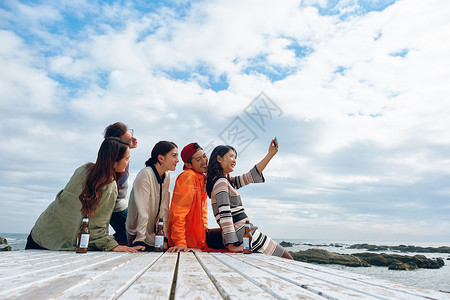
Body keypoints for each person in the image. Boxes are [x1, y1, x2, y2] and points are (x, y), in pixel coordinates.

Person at [25, 137, 145, 252]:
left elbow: (69, 204)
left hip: (40, 233)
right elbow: (98, 226)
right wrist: (111, 245)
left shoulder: (83, 170)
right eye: (126, 159)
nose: (128, 162)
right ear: (114, 160)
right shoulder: (109, 185)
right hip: (61, 244)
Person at [206, 140, 293, 259]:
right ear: (219, 159)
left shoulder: (227, 182)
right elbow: (225, 215)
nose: (234, 160)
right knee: (286, 258)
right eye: (231, 156)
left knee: (283, 259)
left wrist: (270, 154)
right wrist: (231, 245)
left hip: (245, 231)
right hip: (241, 233)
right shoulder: (221, 183)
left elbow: (251, 176)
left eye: (235, 157)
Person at [167, 143, 225, 253]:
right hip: (188, 242)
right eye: (198, 159)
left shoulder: (202, 178)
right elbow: (178, 213)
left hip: (199, 239)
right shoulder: (188, 176)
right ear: (188, 164)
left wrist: (204, 233)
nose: (204, 161)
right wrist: (180, 243)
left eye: (204, 156)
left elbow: (203, 213)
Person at [126, 141, 179, 251]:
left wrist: (164, 238)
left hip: (152, 234)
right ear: (161, 158)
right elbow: (143, 210)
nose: (177, 160)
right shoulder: (146, 174)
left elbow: (164, 207)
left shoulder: (167, 175)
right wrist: (140, 239)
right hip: (136, 234)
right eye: (174, 156)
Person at [103, 122, 138, 244]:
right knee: (131, 235)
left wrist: (129, 148)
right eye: (128, 140)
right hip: (116, 207)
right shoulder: (113, 165)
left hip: (119, 205)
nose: (133, 140)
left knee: (127, 233)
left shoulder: (117, 157)